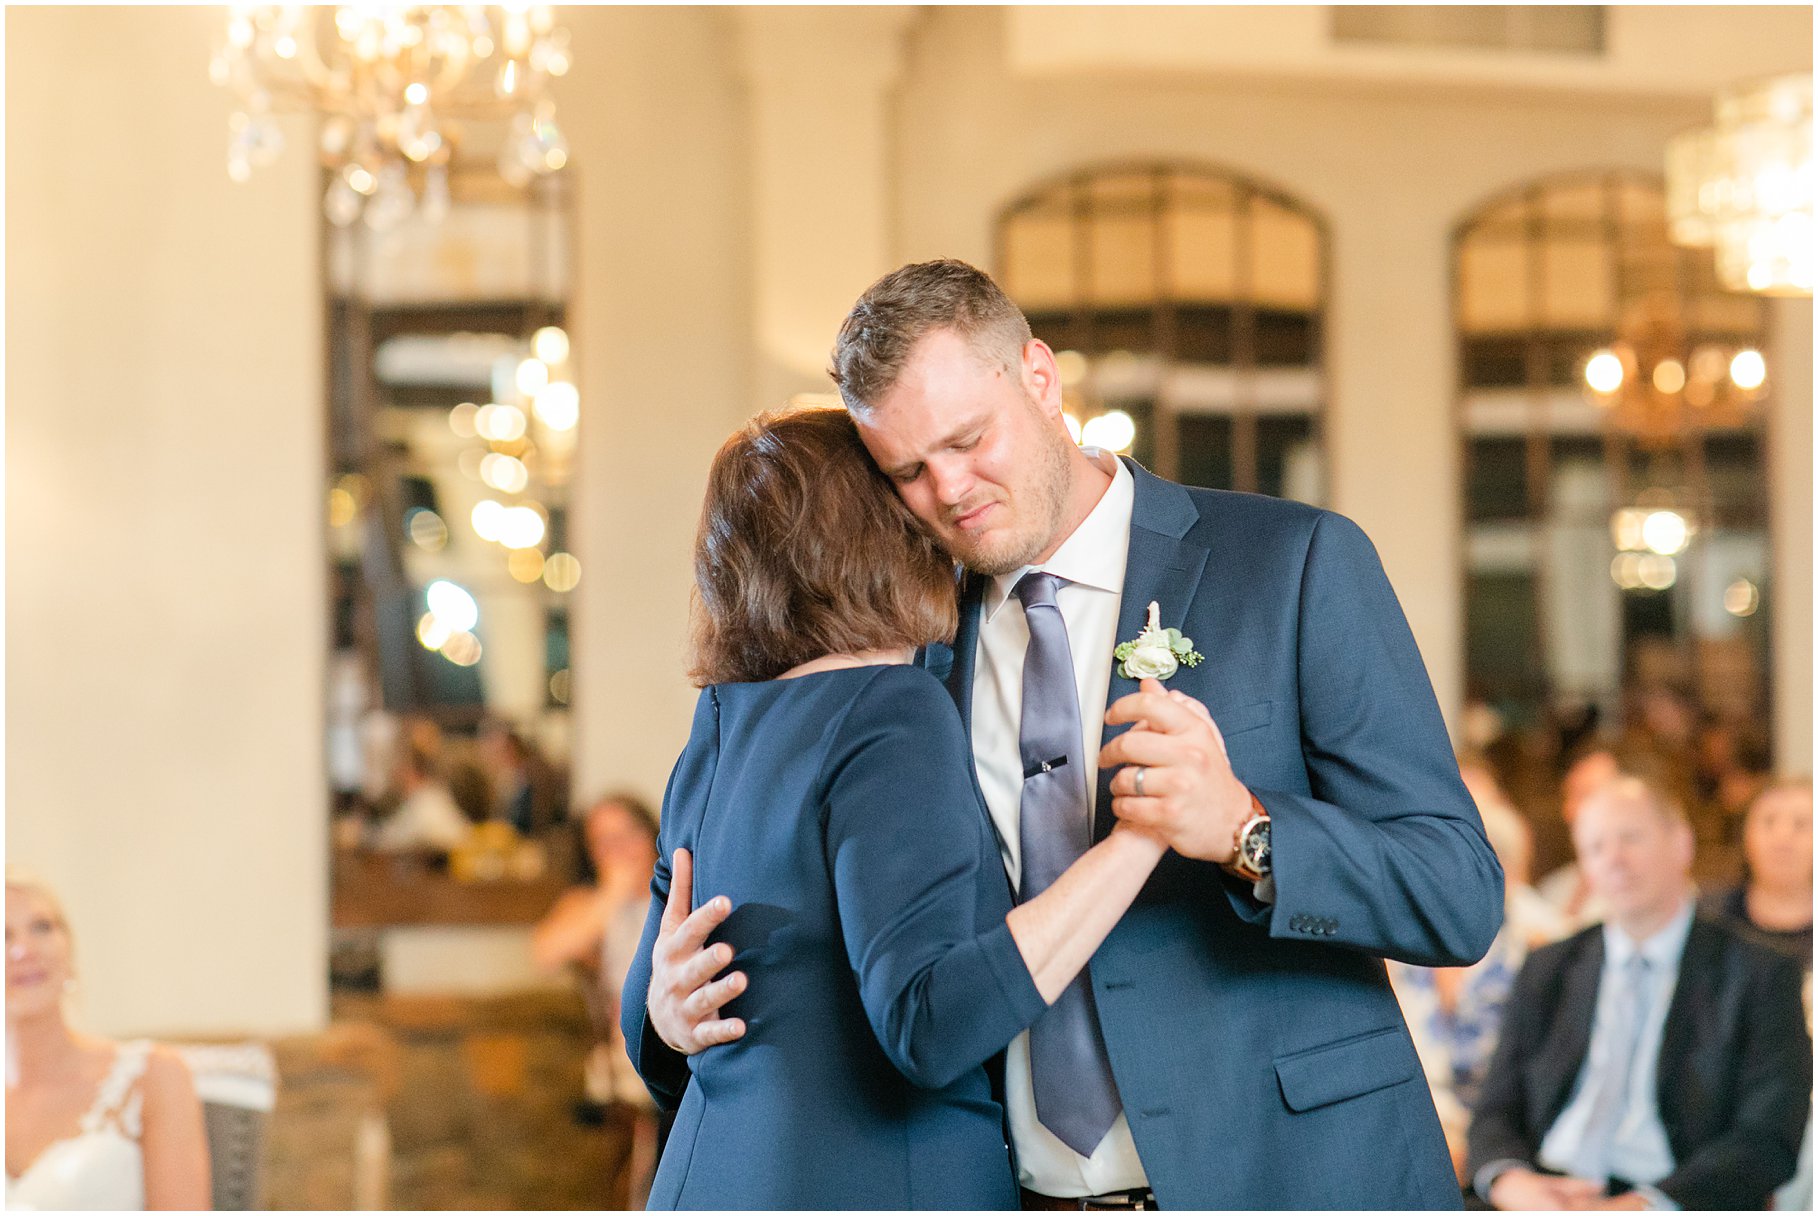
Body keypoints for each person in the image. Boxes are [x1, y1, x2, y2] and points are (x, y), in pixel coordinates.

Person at [642, 260, 1503, 1209]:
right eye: (909, 472)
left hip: (1286, 1174)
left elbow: (1457, 891)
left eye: (970, 440)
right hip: (1017, 1191)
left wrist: (1248, 832)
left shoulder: (1292, 564)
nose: (951, 490)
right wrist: (667, 1013)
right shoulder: (905, 652)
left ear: (1040, 378)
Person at [622, 406, 1177, 1209]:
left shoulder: (718, 724)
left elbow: (653, 1036)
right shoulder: (892, 708)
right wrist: (1137, 840)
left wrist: (669, 1019)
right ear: (881, 529)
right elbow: (931, 1025)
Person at [1466, 778, 1810, 1211]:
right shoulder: (1549, 966)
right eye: (1595, 847)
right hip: (1543, 1186)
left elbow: (1769, 1136)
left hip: (1672, 1193)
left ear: (1681, 844)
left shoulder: (1760, 973)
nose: (1615, 860)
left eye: (1630, 838)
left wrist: (1646, 1204)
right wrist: (1511, 1182)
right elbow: (1495, 1106)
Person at [1391, 763, 1567, 1183]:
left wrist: (1482, 1151)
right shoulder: (1406, 936)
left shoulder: (1543, 938)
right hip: (1421, 1125)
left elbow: (1551, 1072)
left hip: (1509, 1136)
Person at [5, 870, 211, 1210]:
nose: (23, 950)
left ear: (68, 949)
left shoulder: (152, 1076)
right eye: (3, 936)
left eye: (41, 927)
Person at [532, 793, 663, 1203]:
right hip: (630, 1047)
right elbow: (546, 953)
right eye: (605, 841)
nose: (621, 849)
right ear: (591, 853)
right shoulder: (591, 904)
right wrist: (613, 894)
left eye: (629, 834)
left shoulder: (679, 893)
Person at [1698, 779, 1813, 968]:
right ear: (1744, 835)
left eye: (1800, 825)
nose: (1783, 838)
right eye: (1769, 822)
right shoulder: (1708, 916)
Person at [370, 738, 472, 855]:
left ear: (409, 768)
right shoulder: (427, 797)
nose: (393, 773)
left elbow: (393, 842)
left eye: (397, 766)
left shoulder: (427, 802)